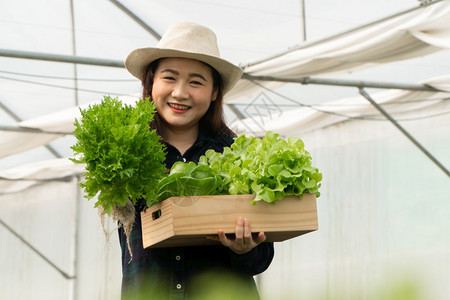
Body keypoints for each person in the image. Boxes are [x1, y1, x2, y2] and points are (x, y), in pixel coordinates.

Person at [119, 22, 274, 299]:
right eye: (169, 78)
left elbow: (261, 258)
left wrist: (245, 248)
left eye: (196, 81)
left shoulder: (238, 155)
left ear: (215, 91)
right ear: (151, 82)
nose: (180, 93)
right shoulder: (126, 153)